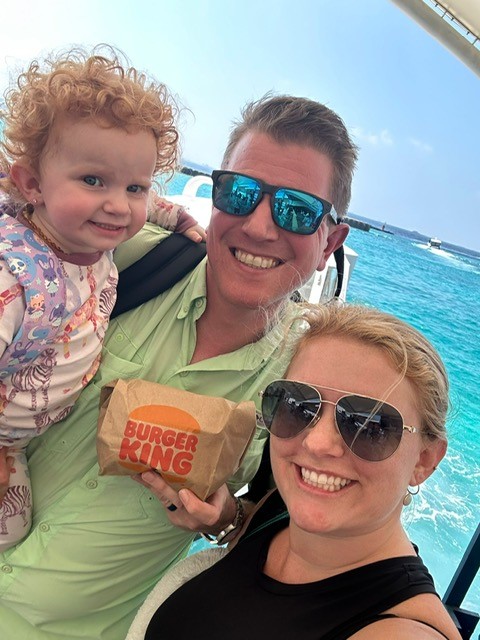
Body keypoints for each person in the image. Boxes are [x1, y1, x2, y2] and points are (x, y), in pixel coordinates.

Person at [0, 93, 355, 639]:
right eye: (240, 193)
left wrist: (224, 519)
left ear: (330, 241)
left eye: (297, 210)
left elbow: (301, 531)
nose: (260, 227)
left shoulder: (305, 384)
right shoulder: (122, 257)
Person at [130, 303, 461, 640]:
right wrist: (225, 517)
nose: (318, 443)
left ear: (424, 461)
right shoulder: (279, 511)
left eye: (367, 425)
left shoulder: (402, 631)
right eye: (298, 406)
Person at [0, 46, 203, 551]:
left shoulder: (89, 238)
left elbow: (149, 202)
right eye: (93, 180)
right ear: (32, 184)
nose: (118, 205)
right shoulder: (16, 281)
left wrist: (179, 219)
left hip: (20, 441)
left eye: (134, 187)